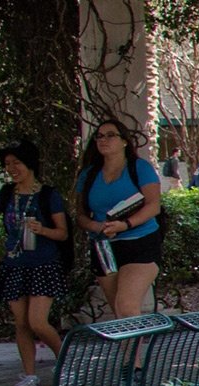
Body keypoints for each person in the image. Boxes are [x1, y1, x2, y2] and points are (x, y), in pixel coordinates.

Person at [0, 141, 69, 386]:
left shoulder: (49, 195)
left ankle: (66, 362)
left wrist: (43, 230)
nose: (11, 169)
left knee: (37, 321)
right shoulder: (7, 194)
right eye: (7, 164)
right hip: (14, 265)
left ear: (29, 163)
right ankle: (30, 376)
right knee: (21, 323)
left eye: (16, 163)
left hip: (43, 264)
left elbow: (62, 233)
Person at [72, 118, 165, 319]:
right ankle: (130, 351)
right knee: (119, 313)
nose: (103, 140)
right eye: (99, 136)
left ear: (124, 141)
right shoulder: (89, 174)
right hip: (104, 246)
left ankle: (136, 352)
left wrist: (125, 225)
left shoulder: (140, 168)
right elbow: (80, 215)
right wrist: (96, 226)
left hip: (139, 242)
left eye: (111, 135)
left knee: (127, 305)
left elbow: (153, 205)